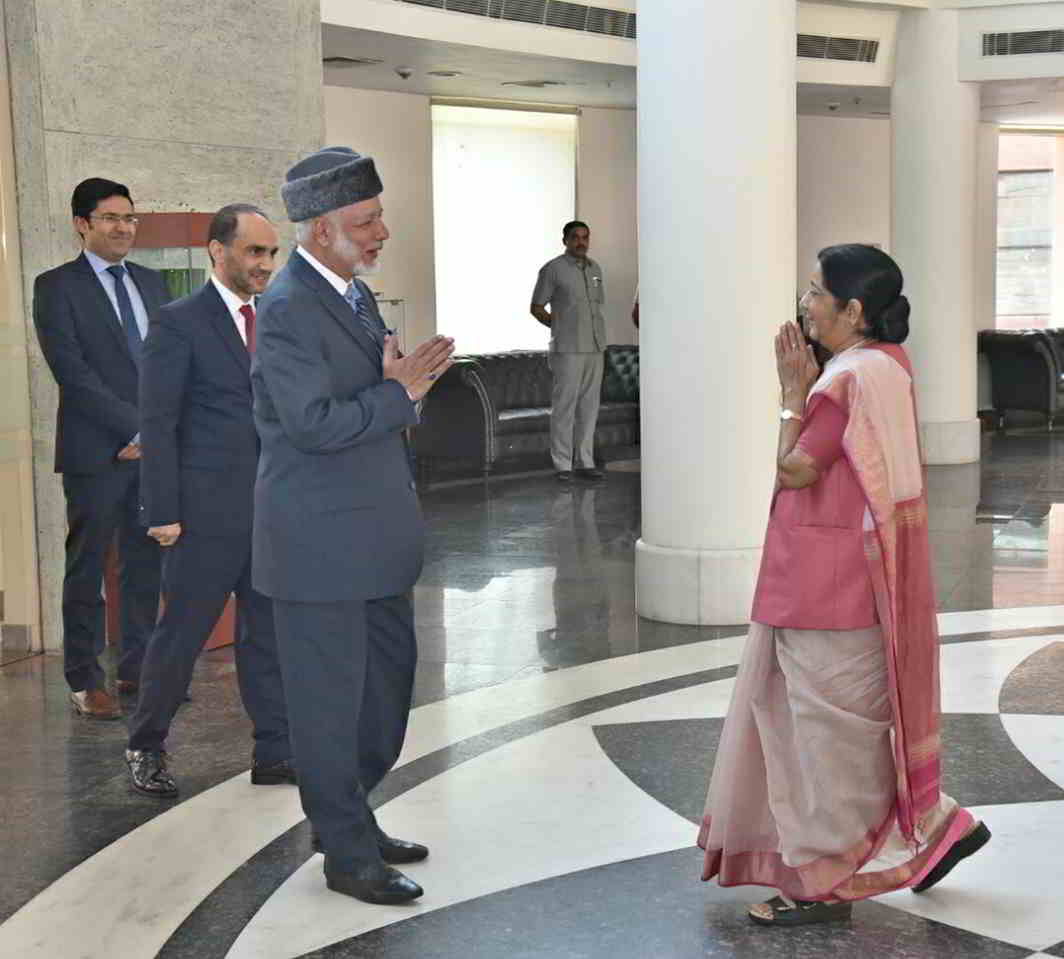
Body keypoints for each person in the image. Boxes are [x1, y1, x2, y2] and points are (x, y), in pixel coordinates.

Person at [698, 245, 990, 926]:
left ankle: (822, 885)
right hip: (858, 581)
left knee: (820, 746)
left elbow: (796, 469)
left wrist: (788, 398)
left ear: (853, 310)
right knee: (849, 736)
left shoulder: (842, 383)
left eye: (815, 292)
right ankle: (942, 826)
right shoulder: (890, 365)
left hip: (821, 591)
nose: (806, 304)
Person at [253, 147, 455, 905]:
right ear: (322, 229)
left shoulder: (356, 298)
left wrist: (407, 387)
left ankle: (352, 816)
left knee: (382, 698)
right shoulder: (287, 309)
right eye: (366, 221)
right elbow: (308, 424)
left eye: (378, 217)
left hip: (372, 543)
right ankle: (345, 852)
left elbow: (372, 402)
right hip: (318, 549)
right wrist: (398, 394)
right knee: (329, 711)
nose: (381, 232)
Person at [124, 204, 294, 798]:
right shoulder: (179, 322)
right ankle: (146, 744)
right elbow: (158, 419)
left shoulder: (275, 318)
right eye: (254, 252)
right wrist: (162, 511)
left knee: (267, 635)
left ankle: (274, 750)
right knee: (182, 635)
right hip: (200, 516)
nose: (265, 264)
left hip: (268, 511)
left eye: (271, 253)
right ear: (216, 252)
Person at [33, 178, 167, 720]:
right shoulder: (56, 286)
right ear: (81, 224)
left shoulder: (153, 284)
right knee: (87, 567)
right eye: (111, 218)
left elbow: (169, 364)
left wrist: (158, 433)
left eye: (130, 218)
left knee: (145, 565)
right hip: (97, 451)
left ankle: (139, 670)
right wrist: (134, 430)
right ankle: (84, 679)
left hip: (153, 453)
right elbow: (72, 372)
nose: (123, 228)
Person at [531, 221, 607, 483]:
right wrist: (559, 325)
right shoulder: (553, 269)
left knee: (589, 407)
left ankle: (585, 462)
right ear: (565, 240)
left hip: (595, 347)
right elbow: (537, 306)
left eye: (585, 237)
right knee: (565, 407)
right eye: (575, 237)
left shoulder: (595, 269)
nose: (581, 242)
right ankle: (563, 465)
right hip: (568, 348)